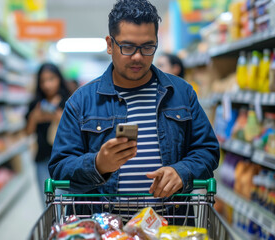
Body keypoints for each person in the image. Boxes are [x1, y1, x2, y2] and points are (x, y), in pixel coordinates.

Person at [48, 0, 219, 223]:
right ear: (110, 44)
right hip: (104, 228)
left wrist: (182, 171)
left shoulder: (182, 93)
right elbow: (60, 167)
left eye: (147, 47)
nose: (138, 56)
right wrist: (98, 165)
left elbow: (207, 149)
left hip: (168, 227)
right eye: (127, 47)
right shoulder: (81, 102)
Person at [25, 63, 70, 201]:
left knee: (65, 202)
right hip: (42, 158)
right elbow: (28, 132)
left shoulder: (68, 101)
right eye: (43, 81)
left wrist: (59, 117)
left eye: (51, 79)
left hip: (65, 159)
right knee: (48, 202)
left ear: (59, 79)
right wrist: (34, 117)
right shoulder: (35, 104)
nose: (47, 85)